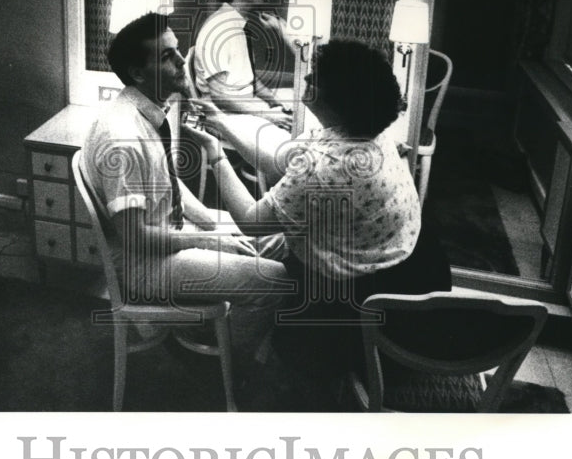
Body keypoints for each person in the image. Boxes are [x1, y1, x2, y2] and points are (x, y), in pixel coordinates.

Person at [187, 40, 451, 372]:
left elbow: (253, 222)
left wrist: (216, 154)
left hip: (367, 293)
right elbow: (278, 161)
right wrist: (220, 122)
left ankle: (245, 363)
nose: (307, 78)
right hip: (404, 258)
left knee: (298, 356)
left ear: (335, 98)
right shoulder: (360, 131)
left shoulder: (329, 164)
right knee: (240, 242)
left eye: (314, 77)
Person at [81, 11, 290, 324]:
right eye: (168, 56)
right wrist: (209, 240)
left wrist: (212, 225)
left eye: (177, 49)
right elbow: (135, 238)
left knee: (284, 240)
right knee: (279, 278)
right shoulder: (122, 137)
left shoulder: (150, 112)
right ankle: (260, 356)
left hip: (173, 232)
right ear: (138, 73)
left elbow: (170, 184)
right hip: (146, 264)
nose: (182, 60)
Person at [192, 0, 293, 131]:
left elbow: (250, 80)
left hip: (244, 107)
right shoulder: (218, 29)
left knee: (295, 105)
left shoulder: (237, 24)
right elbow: (220, 96)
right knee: (293, 136)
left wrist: (275, 102)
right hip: (225, 116)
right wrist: (269, 115)